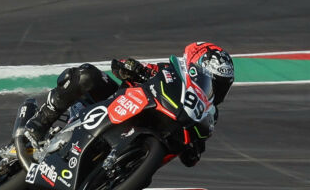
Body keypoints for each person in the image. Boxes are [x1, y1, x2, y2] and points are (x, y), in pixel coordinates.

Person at [21, 42, 234, 167]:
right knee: (87, 75)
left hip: (145, 139)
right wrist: (131, 67)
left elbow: (192, 158)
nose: (216, 88)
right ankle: (41, 122)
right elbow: (121, 67)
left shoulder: (208, 114)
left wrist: (193, 147)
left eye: (221, 85)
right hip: (118, 103)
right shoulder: (169, 71)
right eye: (214, 80)